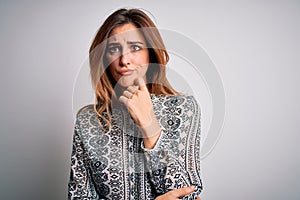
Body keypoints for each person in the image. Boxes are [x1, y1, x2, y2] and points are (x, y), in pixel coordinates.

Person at [68, 8, 203, 200]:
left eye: (135, 47)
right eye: (114, 49)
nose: (124, 60)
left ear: (151, 54)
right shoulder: (87, 120)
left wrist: (150, 126)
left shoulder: (182, 109)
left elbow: (188, 194)